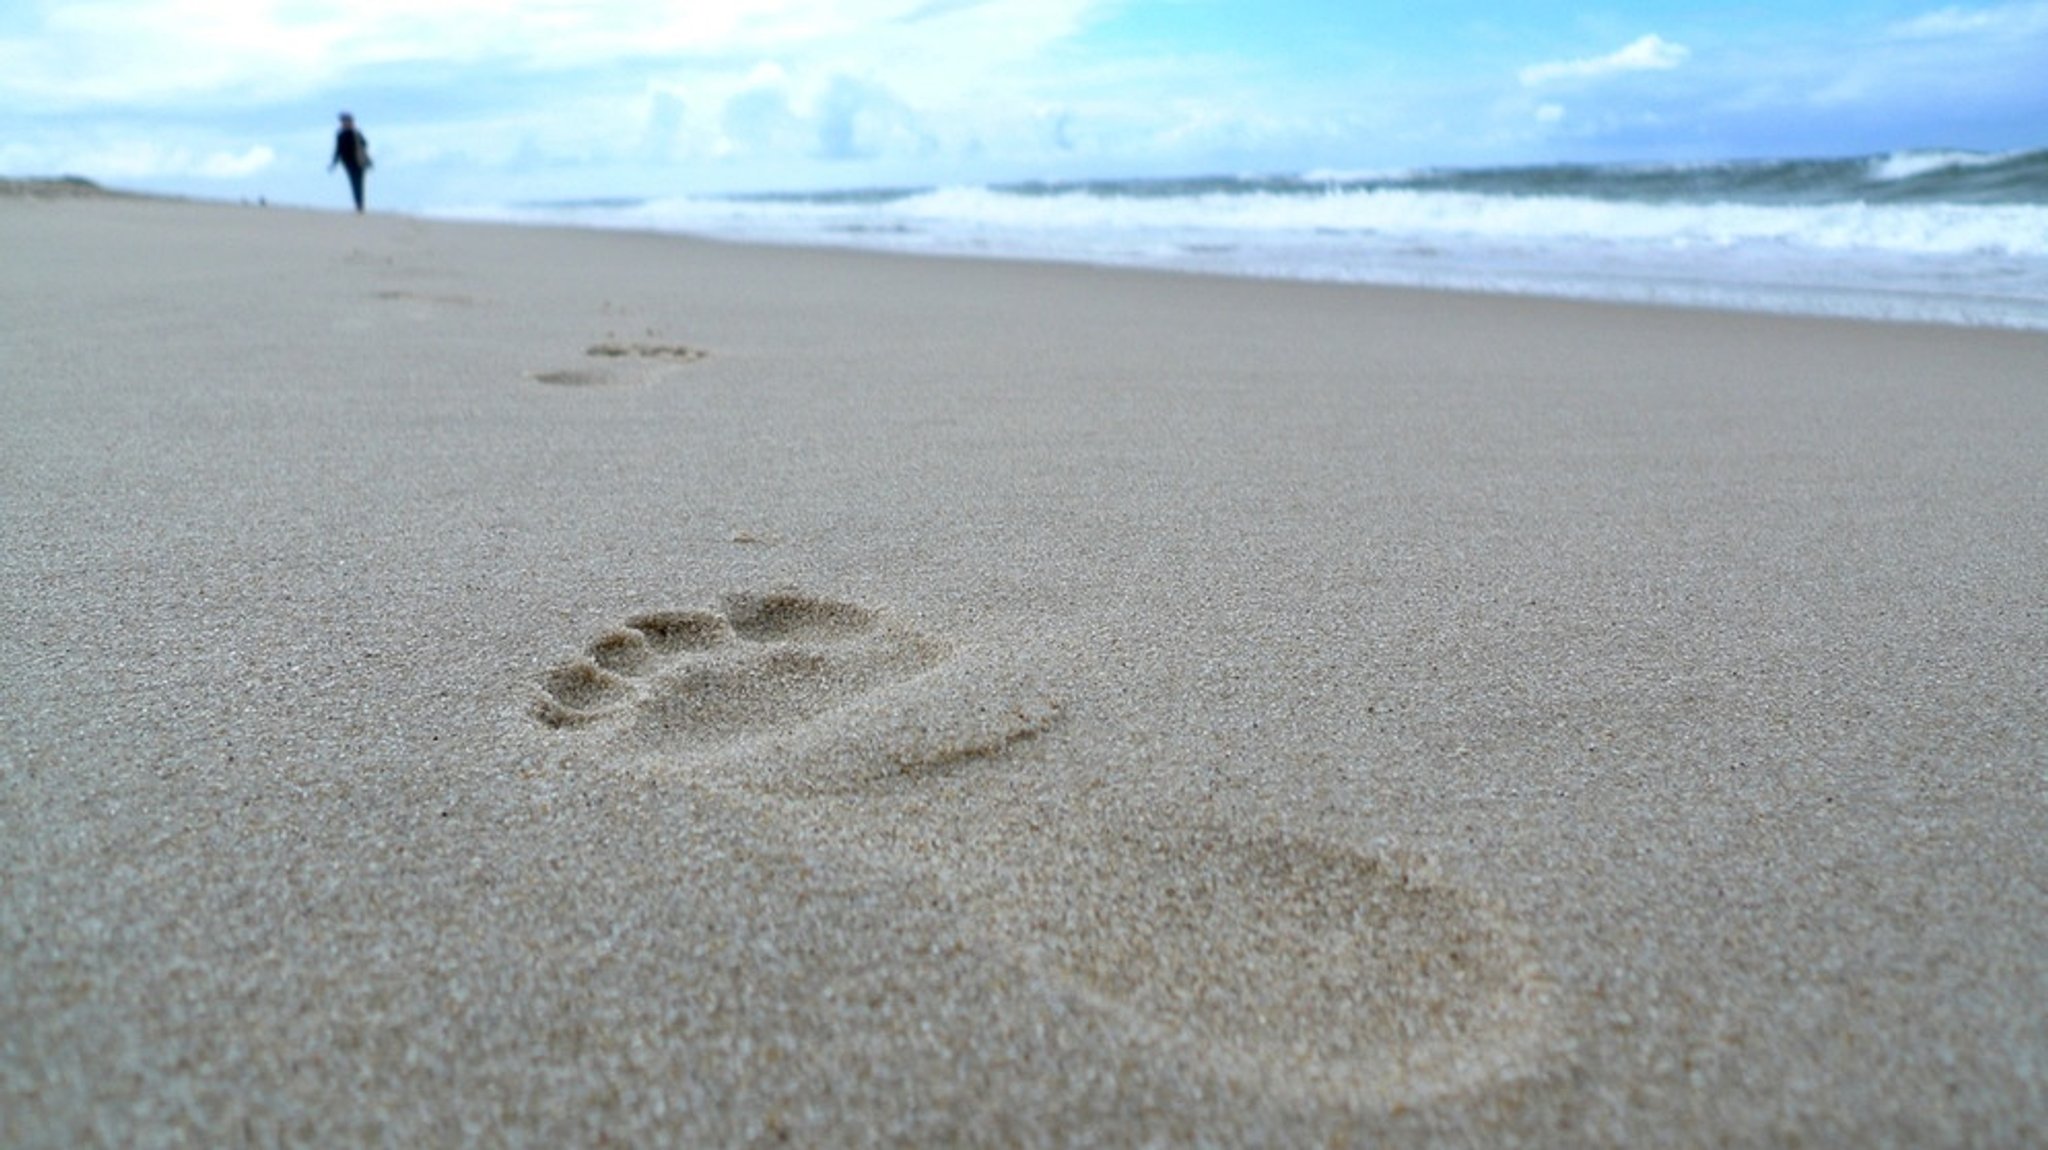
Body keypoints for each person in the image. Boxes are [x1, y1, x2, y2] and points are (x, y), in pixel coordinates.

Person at [329, 113, 372, 213]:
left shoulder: (356, 133)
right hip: (348, 163)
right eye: (343, 121)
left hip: (359, 162)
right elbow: (338, 150)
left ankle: (360, 205)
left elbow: (365, 144)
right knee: (354, 183)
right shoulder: (341, 135)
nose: (345, 123)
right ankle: (358, 205)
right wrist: (334, 163)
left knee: (360, 183)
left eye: (347, 121)